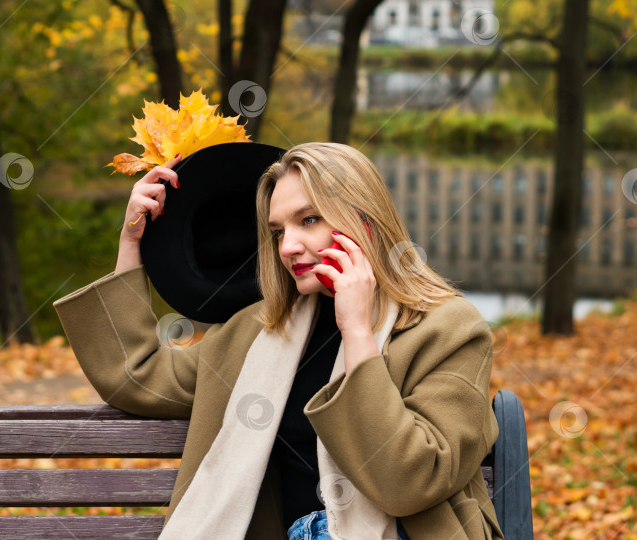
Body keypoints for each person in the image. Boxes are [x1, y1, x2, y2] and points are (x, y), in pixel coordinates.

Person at [54, 142, 504, 539]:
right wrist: (132, 243)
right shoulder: (262, 330)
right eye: (277, 231)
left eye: (308, 220)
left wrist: (358, 334)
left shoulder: (447, 329)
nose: (288, 246)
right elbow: (138, 374)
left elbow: (408, 482)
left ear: (365, 221)